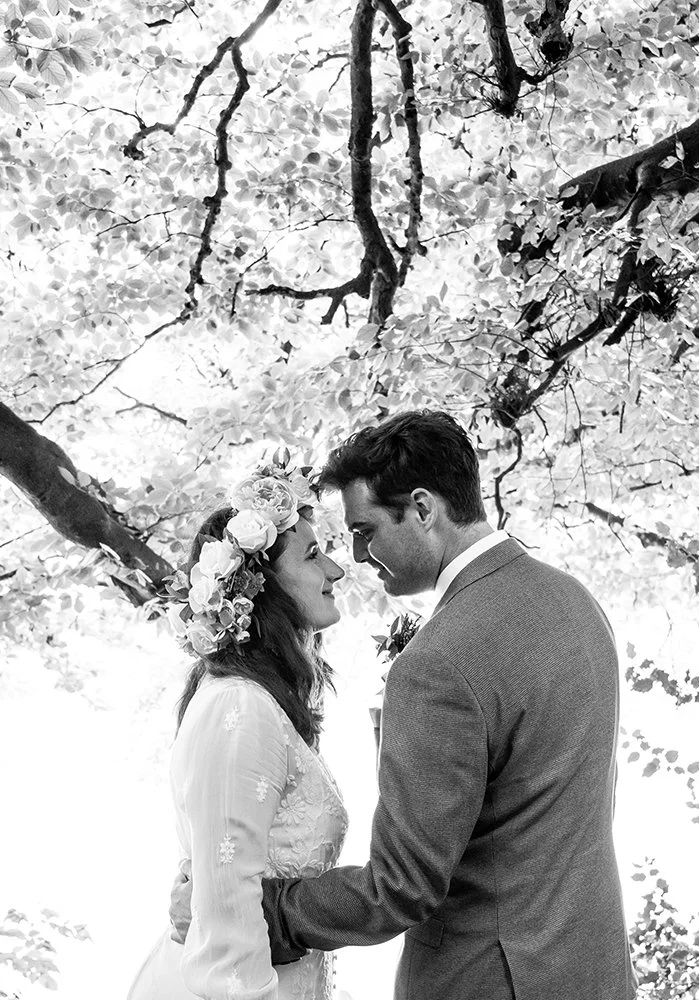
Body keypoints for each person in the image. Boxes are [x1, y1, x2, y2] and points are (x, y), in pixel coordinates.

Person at [175, 410, 638, 999]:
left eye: (365, 530)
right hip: (594, 971)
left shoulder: (439, 659)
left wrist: (252, 910)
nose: (358, 558)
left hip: (489, 982)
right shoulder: (576, 602)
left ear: (423, 509)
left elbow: (402, 885)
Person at [128, 459, 350, 1000]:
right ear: (264, 586)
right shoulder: (239, 709)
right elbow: (227, 928)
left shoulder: (265, 706)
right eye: (314, 555)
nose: (337, 572)